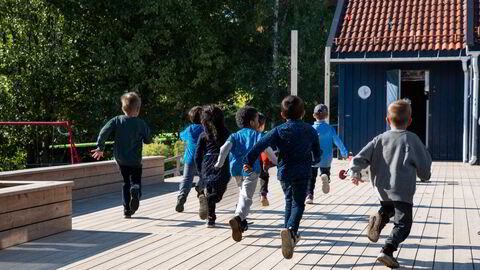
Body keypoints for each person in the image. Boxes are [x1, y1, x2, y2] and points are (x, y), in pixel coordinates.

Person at [349, 99, 431, 268]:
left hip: (382, 189)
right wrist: (424, 175)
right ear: (410, 121)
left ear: (387, 120)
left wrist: (355, 172)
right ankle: (387, 250)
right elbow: (424, 164)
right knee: (403, 224)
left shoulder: (379, 139)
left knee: (389, 207)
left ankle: (380, 218)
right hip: (402, 189)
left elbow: (360, 157)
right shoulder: (412, 139)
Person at [244, 95, 322, 259]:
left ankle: (287, 233)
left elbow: (260, 144)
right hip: (303, 172)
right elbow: (317, 150)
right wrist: (316, 158)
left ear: (282, 114)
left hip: (285, 172)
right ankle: (291, 231)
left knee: (289, 201)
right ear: (303, 113)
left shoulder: (278, 130)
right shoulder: (310, 129)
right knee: (298, 204)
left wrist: (249, 161)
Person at [214, 106, 276, 242]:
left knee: (243, 192)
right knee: (247, 198)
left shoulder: (234, 135)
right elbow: (267, 149)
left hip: (235, 170)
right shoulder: (258, 135)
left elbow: (224, 149)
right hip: (251, 170)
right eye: (256, 119)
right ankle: (238, 217)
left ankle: (241, 223)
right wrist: (276, 161)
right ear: (253, 122)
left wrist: (219, 163)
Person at [91, 92, 152, 218]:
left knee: (125, 183)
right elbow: (148, 139)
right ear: (138, 109)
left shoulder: (117, 120)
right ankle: (135, 190)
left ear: (123, 108)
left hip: (121, 159)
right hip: (135, 160)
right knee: (135, 181)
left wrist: (100, 147)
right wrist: (145, 138)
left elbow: (103, 132)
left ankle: (126, 210)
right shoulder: (141, 123)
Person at [194, 105, 231, 228]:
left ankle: (210, 219)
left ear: (203, 122)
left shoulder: (203, 136)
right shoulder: (227, 134)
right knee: (218, 192)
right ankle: (209, 200)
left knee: (209, 188)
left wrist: (200, 172)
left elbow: (197, 155)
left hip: (207, 164)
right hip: (222, 163)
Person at [306, 104, 348, 204]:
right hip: (326, 158)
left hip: (313, 157)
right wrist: (344, 152)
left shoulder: (311, 129)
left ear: (313, 115)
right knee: (325, 170)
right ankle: (325, 175)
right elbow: (338, 141)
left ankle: (309, 196)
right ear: (327, 115)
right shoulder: (330, 128)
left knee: (311, 178)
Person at [176, 106, 205, 215]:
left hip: (189, 158)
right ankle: (199, 187)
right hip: (202, 158)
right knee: (204, 176)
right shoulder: (206, 129)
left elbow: (181, 136)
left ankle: (182, 195)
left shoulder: (189, 129)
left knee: (187, 178)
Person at [257, 112, 273, 206]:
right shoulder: (263, 136)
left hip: (249, 162)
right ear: (262, 125)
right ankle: (263, 195)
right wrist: (266, 162)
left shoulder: (247, 135)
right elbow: (266, 151)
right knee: (264, 177)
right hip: (261, 161)